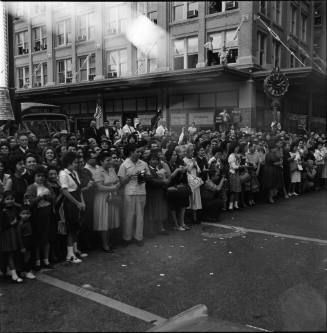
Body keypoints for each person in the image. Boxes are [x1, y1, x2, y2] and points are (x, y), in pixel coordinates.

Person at [118, 143, 150, 246]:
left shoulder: (143, 164)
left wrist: (143, 176)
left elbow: (148, 177)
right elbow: (121, 182)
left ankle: (138, 237)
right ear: (131, 152)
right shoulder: (124, 164)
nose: (139, 153)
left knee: (140, 216)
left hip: (141, 192)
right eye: (137, 151)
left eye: (140, 151)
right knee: (128, 216)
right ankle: (127, 238)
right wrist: (129, 177)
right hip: (129, 193)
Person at [25, 166, 55, 270]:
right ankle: (37, 262)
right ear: (34, 177)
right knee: (37, 239)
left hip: (47, 214)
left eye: (43, 176)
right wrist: (39, 197)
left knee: (46, 238)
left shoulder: (47, 186)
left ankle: (46, 260)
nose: (41, 178)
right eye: (38, 176)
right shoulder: (31, 187)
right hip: (37, 215)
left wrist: (48, 197)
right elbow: (29, 202)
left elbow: (54, 198)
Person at [59, 152, 86, 264]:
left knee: (76, 227)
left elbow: (78, 189)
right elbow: (64, 191)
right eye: (75, 162)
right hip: (70, 203)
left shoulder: (74, 173)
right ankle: (69, 254)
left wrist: (82, 202)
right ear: (69, 163)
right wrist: (77, 203)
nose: (77, 164)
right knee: (71, 229)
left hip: (77, 201)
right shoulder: (63, 174)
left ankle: (75, 249)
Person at [93, 152, 120, 252]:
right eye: (107, 160)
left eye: (110, 160)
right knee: (104, 222)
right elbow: (99, 187)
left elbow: (117, 180)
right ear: (101, 161)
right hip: (102, 199)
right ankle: (105, 244)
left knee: (110, 220)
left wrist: (116, 186)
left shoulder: (112, 169)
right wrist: (113, 187)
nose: (110, 162)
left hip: (112, 197)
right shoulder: (98, 171)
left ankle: (109, 241)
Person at [144, 154, 169, 237]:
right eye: (152, 159)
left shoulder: (158, 169)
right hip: (151, 193)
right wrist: (162, 181)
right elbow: (150, 181)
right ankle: (151, 230)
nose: (155, 161)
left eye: (156, 160)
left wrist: (164, 181)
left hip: (159, 192)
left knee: (160, 210)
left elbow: (165, 179)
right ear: (149, 161)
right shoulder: (147, 170)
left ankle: (161, 228)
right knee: (151, 211)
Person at [0, 191, 23, 283]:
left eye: (12, 199)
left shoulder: (15, 208)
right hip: (5, 234)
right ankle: (13, 273)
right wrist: (10, 224)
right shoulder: (2, 210)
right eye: (7, 199)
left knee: (12, 253)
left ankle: (10, 270)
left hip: (13, 233)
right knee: (9, 254)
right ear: (3, 200)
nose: (10, 201)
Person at [17, 205, 36, 279]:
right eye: (23, 213)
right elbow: (19, 237)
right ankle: (26, 271)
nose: (26, 215)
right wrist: (22, 247)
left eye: (27, 213)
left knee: (28, 256)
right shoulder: (20, 224)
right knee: (25, 258)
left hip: (29, 240)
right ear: (20, 214)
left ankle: (26, 270)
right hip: (24, 241)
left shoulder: (29, 222)